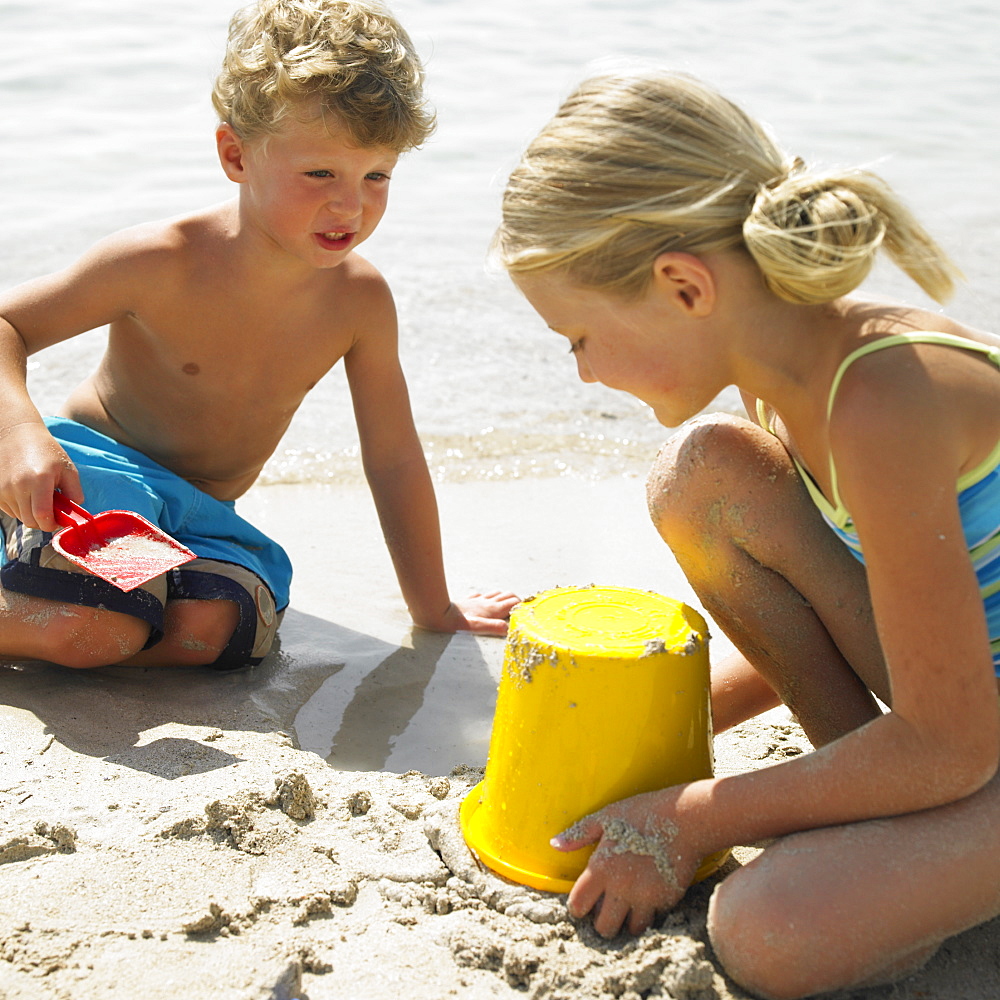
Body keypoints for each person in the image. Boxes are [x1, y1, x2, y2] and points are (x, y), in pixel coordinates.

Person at [495, 69, 1000, 999]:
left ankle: (907, 847)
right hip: (969, 703)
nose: (581, 373)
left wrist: (694, 815)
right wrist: (639, 731)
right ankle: (881, 826)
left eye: (577, 337)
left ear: (684, 286)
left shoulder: (882, 405)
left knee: (771, 933)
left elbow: (952, 744)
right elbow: (846, 611)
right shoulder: (785, 377)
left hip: (967, 737)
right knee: (704, 475)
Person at [0, 0, 517, 672]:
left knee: (218, 629)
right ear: (235, 155)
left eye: (376, 176)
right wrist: (19, 435)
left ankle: (94, 605)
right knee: (95, 629)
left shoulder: (359, 301)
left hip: (198, 515)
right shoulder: (161, 261)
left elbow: (391, 457)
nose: (351, 205)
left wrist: (435, 608)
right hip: (92, 482)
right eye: (320, 173)